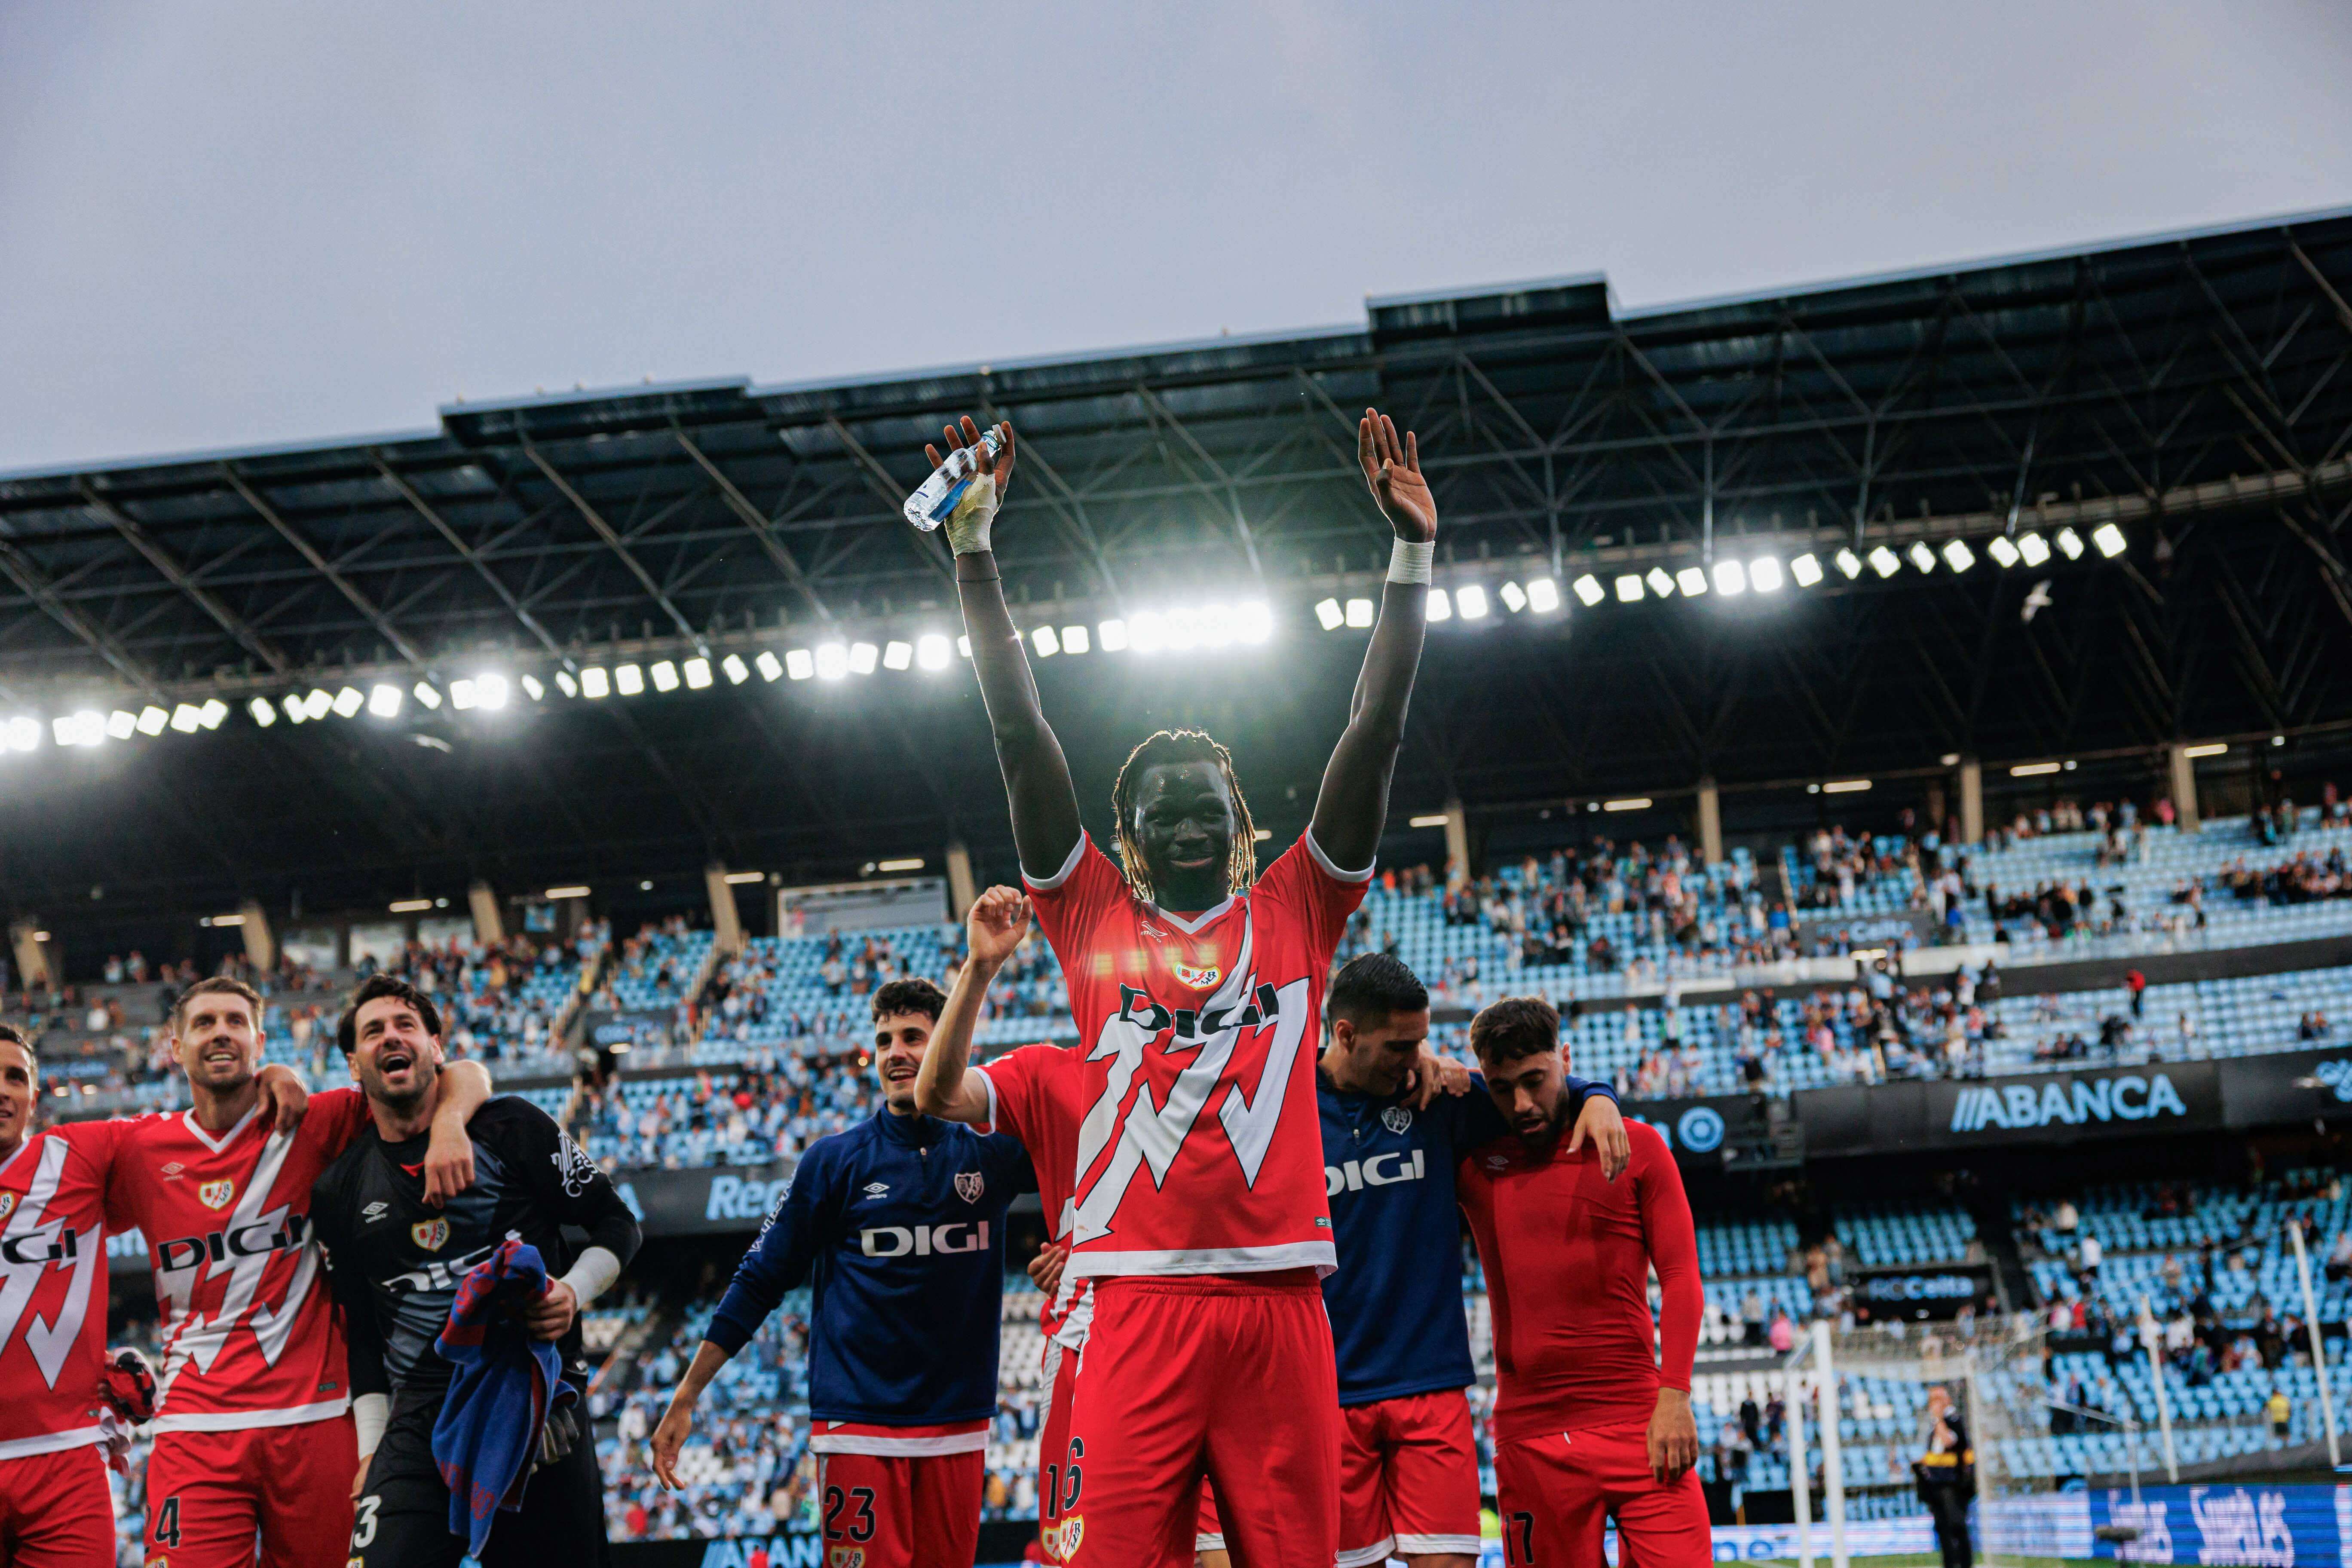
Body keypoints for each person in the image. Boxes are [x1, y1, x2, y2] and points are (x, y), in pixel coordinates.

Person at [937, 403, 1436, 1564]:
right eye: (1161, 813)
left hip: (1282, 1309)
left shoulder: (1302, 907)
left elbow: (1378, 725)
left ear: (1242, 827)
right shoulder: (1090, 913)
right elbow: (1022, 736)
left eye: (1205, 808)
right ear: (1130, 834)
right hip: (1133, 1310)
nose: (1184, 824)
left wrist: (1412, 556)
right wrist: (973, 555)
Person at [106, 976, 491, 1568]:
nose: (221, 1034)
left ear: (260, 1043)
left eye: (236, 1022)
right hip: (196, 1426)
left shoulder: (314, 1120)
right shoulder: (136, 1150)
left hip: (317, 1420)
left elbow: (458, 1074)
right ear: (174, 1048)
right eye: (204, 1023)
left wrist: (450, 1124)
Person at [653, 974, 1036, 1568]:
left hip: (959, 1426)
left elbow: (1094, 1186)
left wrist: (1071, 1248)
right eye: (885, 1041)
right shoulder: (834, 1161)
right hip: (858, 1424)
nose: (896, 1053)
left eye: (913, 1036)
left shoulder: (995, 1153)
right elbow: (759, 1279)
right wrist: (687, 1394)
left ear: (952, 1045)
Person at [314, 975, 641, 1567]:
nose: (392, 1037)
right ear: (353, 1065)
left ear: (437, 1048)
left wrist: (573, 1290)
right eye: (374, 1031)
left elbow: (618, 1223)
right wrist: (369, 1450)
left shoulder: (511, 1127)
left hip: (535, 1405)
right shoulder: (339, 1190)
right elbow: (362, 1333)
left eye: (406, 1025)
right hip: (419, 1421)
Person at [1314, 955, 1626, 1568]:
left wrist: (1599, 1095)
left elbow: (1535, 1098)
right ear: (1346, 1035)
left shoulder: (1441, 1098)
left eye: (1422, 1042)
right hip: (1329, 1392)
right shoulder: (1282, 1109)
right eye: (1401, 1046)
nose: (1417, 1056)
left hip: (1431, 1383)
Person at [0, 1018, 306, 1568]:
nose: (3, 1090)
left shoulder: (80, 1156)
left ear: (34, 1095)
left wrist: (266, 1078)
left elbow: (197, 1131)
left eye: (15, 1078)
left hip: (64, 1467)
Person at [1455, 996, 1707, 1568]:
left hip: (1643, 1423)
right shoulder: (1475, 1162)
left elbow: (1682, 1277)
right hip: (1532, 1436)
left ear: (1565, 1059)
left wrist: (1676, 1395)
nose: (1521, 1104)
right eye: (1501, 1089)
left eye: (1535, 1081)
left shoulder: (1638, 1148)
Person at [1914, 1385, 1974, 1568]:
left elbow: (1950, 1440)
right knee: (1943, 1527)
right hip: (1936, 1484)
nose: (1934, 1404)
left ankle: (1963, 1563)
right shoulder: (1933, 1424)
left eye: (1938, 1399)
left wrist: (1939, 1419)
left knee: (1956, 1525)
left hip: (1952, 1483)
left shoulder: (1953, 1420)